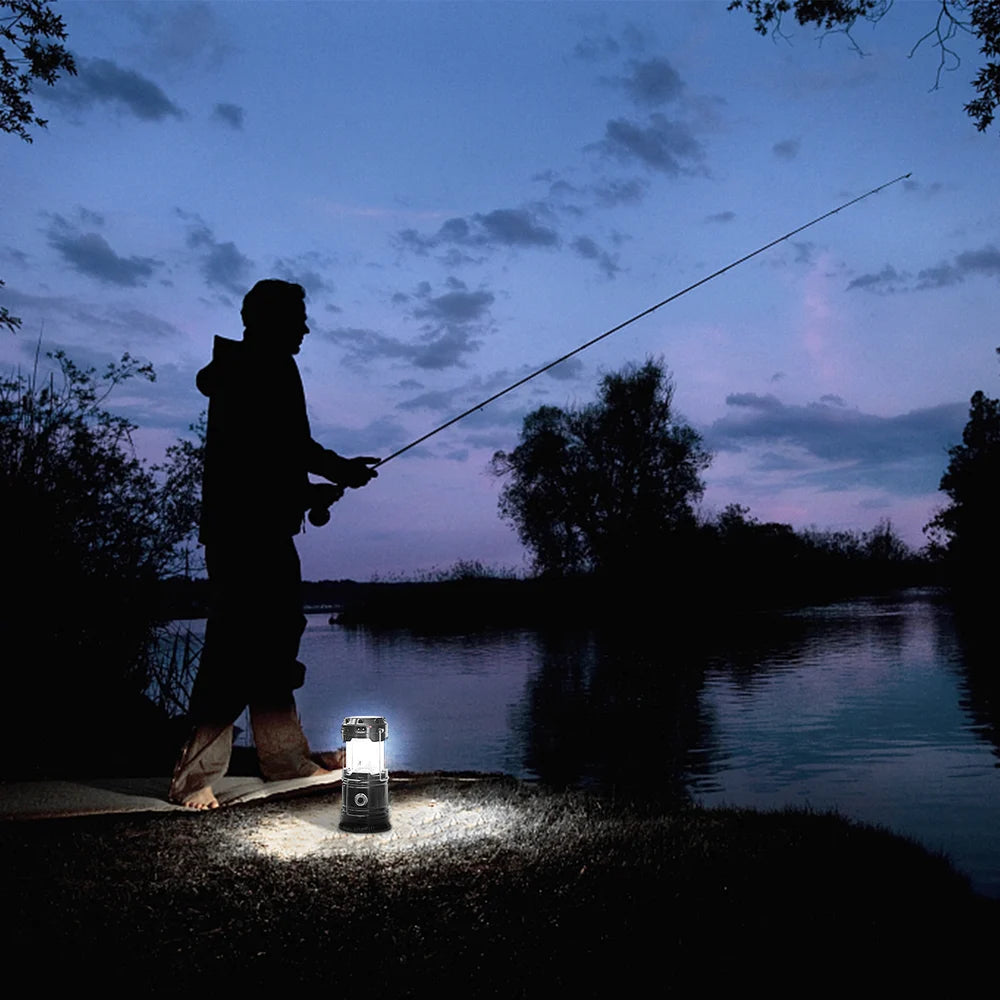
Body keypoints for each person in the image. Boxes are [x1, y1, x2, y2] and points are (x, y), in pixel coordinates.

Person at [169, 279, 378, 809]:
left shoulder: (252, 366)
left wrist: (311, 487)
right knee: (235, 645)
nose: (306, 328)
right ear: (270, 319)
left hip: (253, 528)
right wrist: (339, 471)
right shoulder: (266, 366)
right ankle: (194, 779)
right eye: (298, 318)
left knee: (274, 640)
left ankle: (284, 760)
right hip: (246, 534)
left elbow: (266, 457)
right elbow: (283, 448)